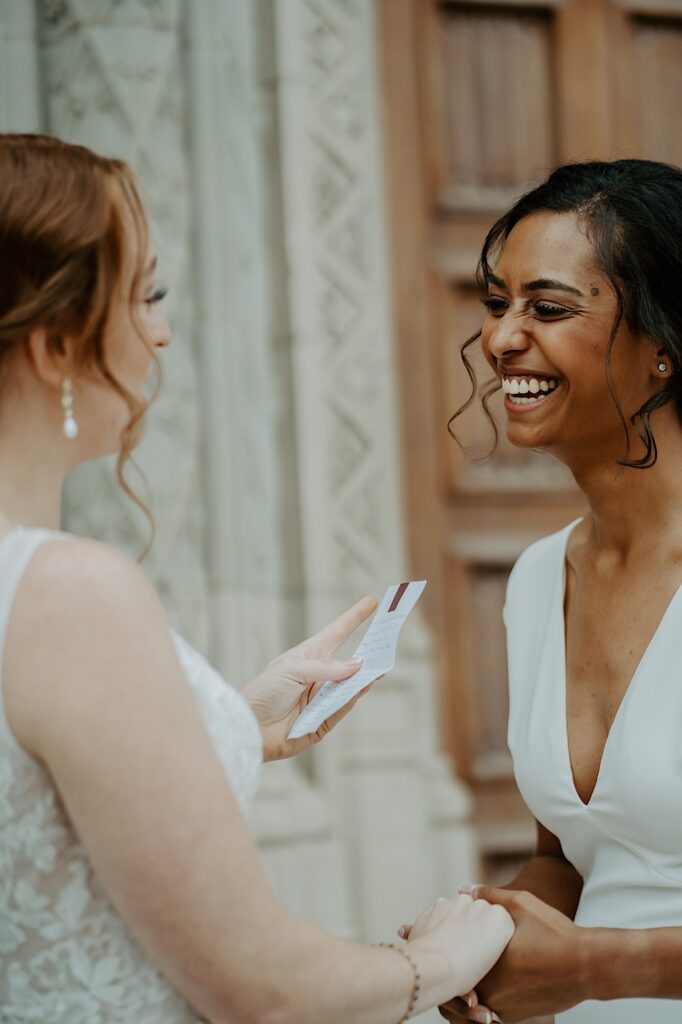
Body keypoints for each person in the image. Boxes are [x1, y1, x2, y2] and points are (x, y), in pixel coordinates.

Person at [0, 132, 515, 1023]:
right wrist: (437, 957)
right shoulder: (71, 592)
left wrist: (237, 721)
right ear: (52, 345)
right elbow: (260, 987)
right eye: (146, 293)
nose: (161, 332)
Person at [434, 159, 682, 1024]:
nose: (503, 338)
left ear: (663, 347)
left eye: (548, 307)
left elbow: (593, 954)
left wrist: (593, 967)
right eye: (498, 304)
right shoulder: (539, 578)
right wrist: (480, 940)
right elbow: (576, 859)